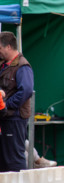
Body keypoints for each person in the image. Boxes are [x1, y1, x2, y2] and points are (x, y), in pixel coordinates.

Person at [0, 31, 34, 172]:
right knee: (4, 159)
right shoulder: (4, 65)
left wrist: (6, 105)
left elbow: (26, 91)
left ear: (8, 47)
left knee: (14, 159)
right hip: (5, 117)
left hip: (15, 118)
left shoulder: (22, 66)